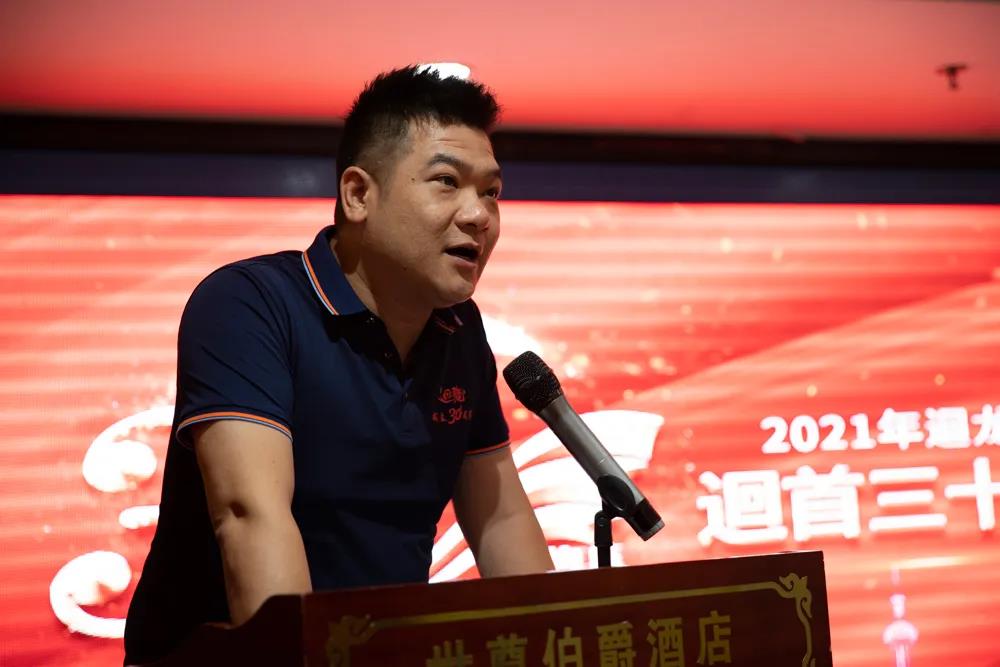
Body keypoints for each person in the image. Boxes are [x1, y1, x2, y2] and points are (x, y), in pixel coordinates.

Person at [123, 66, 553, 665]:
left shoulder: (460, 330)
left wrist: (559, 641)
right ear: (358, 195)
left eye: (492, 192)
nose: (479, 215)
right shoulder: (250, 305)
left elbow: (500, 518)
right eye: (447, 182)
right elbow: (250, 516)